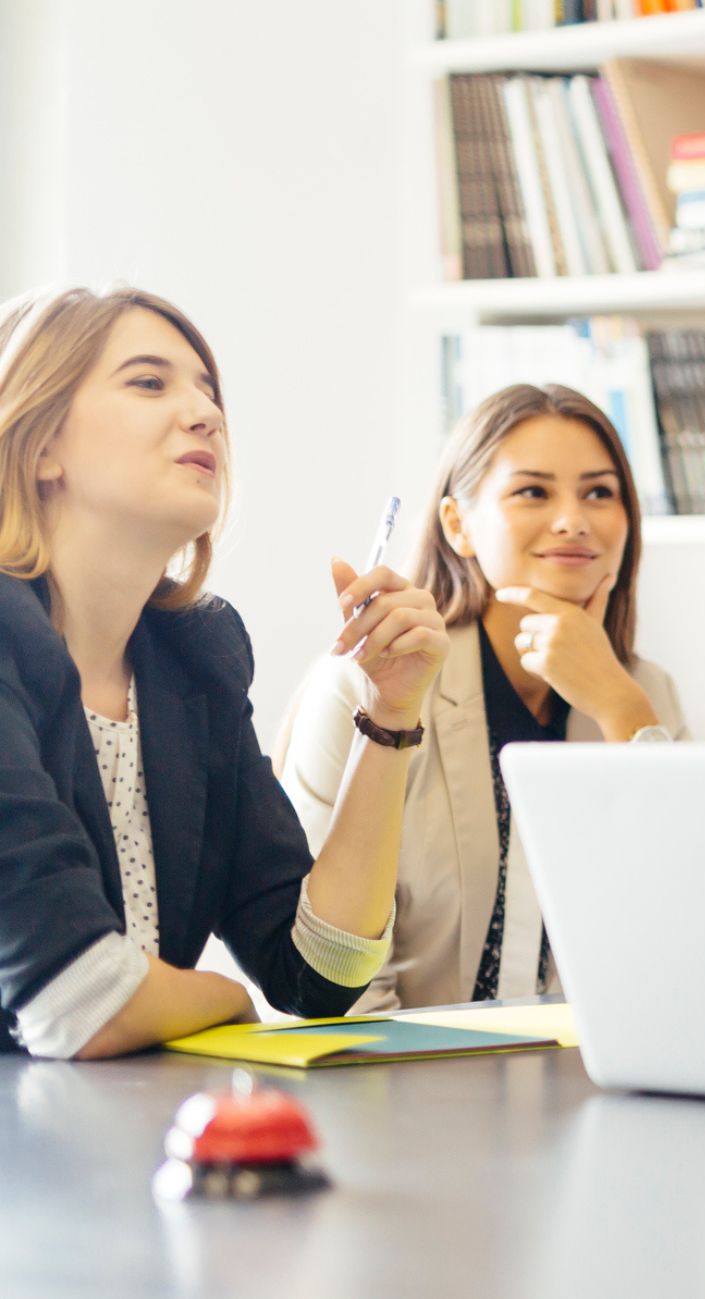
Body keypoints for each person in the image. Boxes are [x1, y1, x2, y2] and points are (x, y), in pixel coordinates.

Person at [0, 284, 447, 1059]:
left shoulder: (195, 658)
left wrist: (393, 714)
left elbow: (320, 971)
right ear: (41, 446)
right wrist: (228, 998)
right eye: (149, 382)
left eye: (208, 392)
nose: (206, 413)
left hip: (113, 1140)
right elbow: (74, 999)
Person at [279, 384, 687, 1011]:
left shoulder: (644, 693)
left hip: (586, 1077)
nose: (573, 519)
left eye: (599, 493)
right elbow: (327, 977)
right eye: (533, 491)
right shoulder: (368, 685)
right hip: (399, 1081)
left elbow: (686, 932)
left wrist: (619, 707)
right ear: (458, 525)